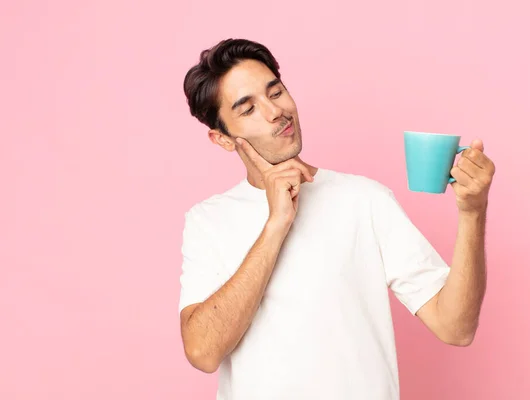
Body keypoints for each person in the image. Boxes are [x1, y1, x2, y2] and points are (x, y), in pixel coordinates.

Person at [178, 38, 495, 399]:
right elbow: (203, 352)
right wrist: (276, 225)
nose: (275, 112)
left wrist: (472, 212)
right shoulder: (208, 220)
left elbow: (456, 328)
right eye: (248, 109)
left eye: (276, 92)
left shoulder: (364, 199)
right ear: (222, 139)